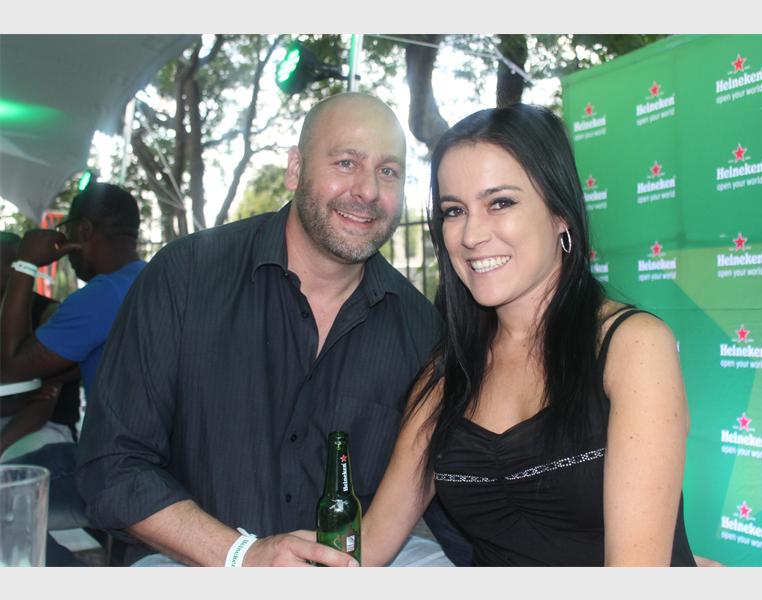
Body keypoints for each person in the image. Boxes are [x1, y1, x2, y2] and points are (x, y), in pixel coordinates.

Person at [75, 93, 471, 567]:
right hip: (191, 562)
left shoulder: (421, 332)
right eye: (346, 162)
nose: (368, 190)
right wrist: (242, 555)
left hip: (354, 565)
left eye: (388, 171)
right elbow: (112, 466)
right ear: (295, 169)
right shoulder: (185, 277)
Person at [356, 103, 697, 566]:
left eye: (500, 202)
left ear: (560, 214)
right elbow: (369, 545)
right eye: (454, 210)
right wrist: (260, 554)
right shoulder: (445, 375)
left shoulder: (633, 347)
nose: (471, 234)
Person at [0, 183, 146, 564]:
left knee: (7, 498)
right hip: (145, 461)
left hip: (117, 470)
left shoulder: (103, 295)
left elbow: (10, 365)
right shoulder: (148, 280)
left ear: (83, 232)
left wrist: (25, 264)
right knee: (29, 469)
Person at [0, 232, 81, 461]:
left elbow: (42, 404)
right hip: (8, 418)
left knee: (11, 464)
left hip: (48, 427)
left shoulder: (50, 314)